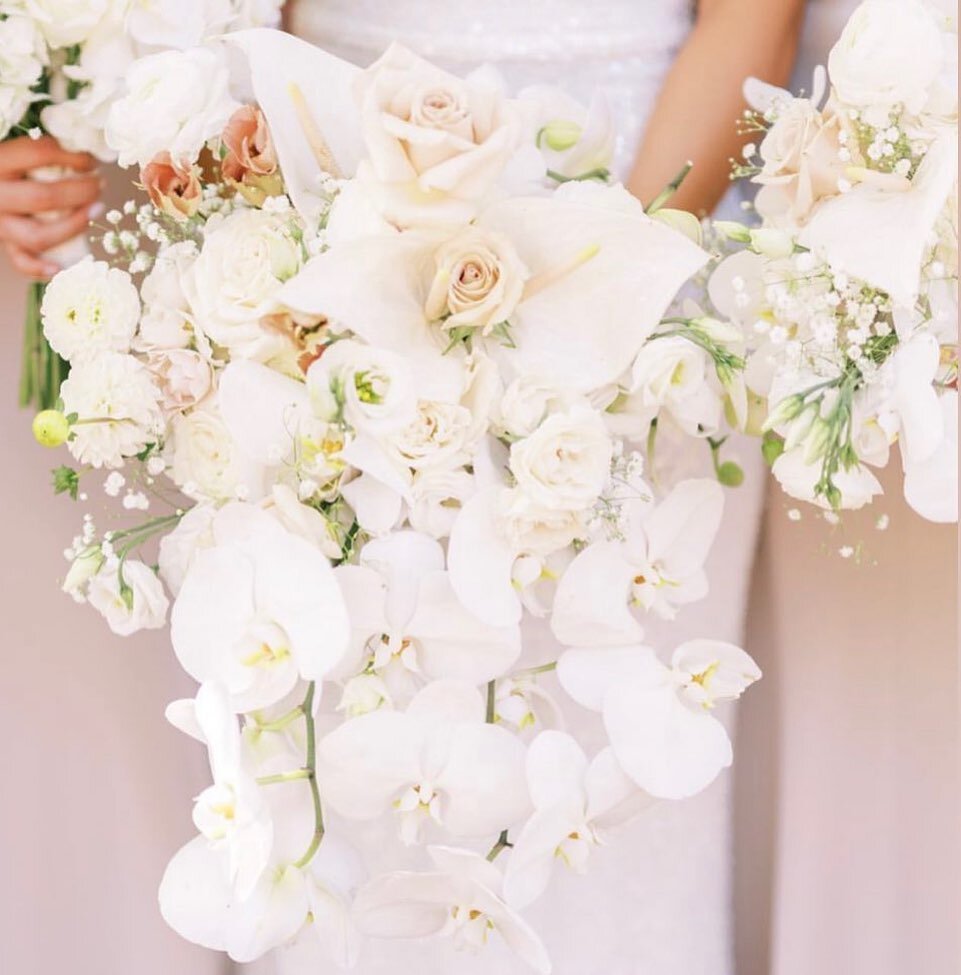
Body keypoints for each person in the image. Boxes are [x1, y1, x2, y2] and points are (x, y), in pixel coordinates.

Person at [0, 2, 805, 972]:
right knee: (351, 792)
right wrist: (53, 102)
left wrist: (605, 297)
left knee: (615, 788)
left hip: (650, 202)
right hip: (317, 227)